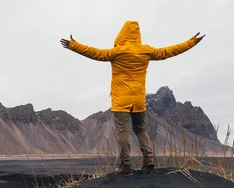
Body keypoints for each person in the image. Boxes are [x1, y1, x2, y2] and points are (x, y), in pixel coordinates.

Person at [60, 21, 205, 174]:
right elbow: (168, 51)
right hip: (138, 100)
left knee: (122, 132)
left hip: (121, 100)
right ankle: (148, 159)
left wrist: (73, 45)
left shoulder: (117, 52)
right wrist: (191, 43)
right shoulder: (146, 51)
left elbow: (95, 53)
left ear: (122, 34)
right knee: (140, 129)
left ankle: (126, 165)